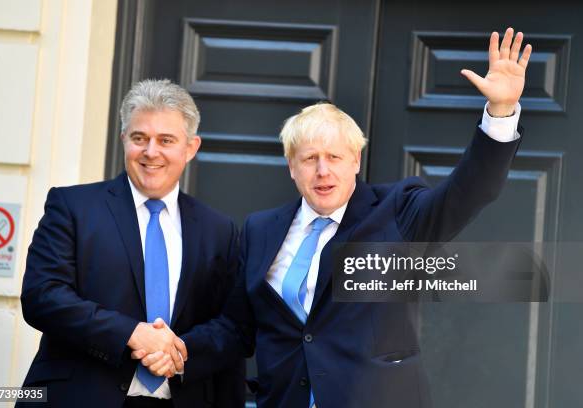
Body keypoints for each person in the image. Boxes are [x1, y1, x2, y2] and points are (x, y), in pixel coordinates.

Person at [140, 28, 531, 407]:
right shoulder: (261, 230)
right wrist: (181, 349)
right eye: (310, 159)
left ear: (356, 161)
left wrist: (499, 113)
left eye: (335, 157)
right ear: (291, 167)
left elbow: (468, 193)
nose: (323, 171)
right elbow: (238, 327)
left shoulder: (397, 212)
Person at [18, 79, 245, 407]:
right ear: (124, 139)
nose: (151, 152)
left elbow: (232, 326)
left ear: (191, 147)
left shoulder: (218, 229)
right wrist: (130, 333)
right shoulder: (73, 207)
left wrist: (180, 352)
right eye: (140, 138)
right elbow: (43, 296)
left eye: (166, 140)